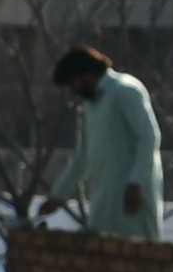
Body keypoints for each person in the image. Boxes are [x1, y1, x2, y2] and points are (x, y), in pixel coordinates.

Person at [53, 39, 166, 239]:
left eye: (73, 83)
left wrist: (136, 184)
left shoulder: (124, 90)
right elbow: (82, 159)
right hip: (105, 204)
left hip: (134, 202)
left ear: (86, 73)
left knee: (140, 261)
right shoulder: (90, 106)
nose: (73, 90)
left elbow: (149, 137)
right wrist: (58, 196)